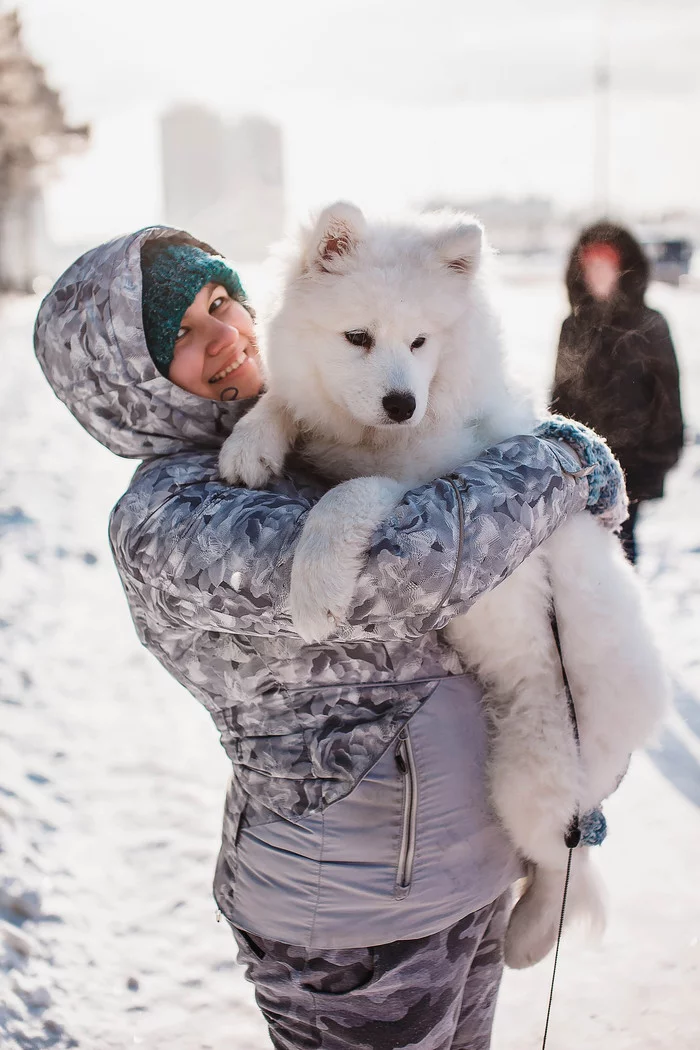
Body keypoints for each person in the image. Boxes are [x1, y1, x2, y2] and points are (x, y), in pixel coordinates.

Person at [34, 225, 627, 1050]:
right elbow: (407, 568)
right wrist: (561, 465)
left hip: (463, 877)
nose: (223, 334)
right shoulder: (167, 515)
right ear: (123, 378)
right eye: (178, 334)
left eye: (219, 302)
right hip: (350, 924)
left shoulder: (318, 432)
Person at [551, 220, 684, 564]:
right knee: (580, 559)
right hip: (581, 471)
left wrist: (654, 466)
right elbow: (560, 399)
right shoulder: (573, 326)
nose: (597, 275)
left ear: (624, 269)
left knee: (622, 554)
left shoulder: (651, 325)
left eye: (605, 266)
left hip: (633, 469)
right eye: (590, 266)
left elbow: (668, 402)